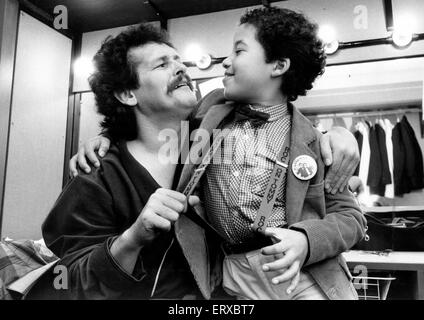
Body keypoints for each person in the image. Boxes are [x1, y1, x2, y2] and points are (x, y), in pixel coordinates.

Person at [71, 8, 364, 300]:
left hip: (304, 275)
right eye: (161, 64)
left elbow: (351, 216)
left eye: (239, 51)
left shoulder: (313, 141)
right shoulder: (209, 113)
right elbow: (147, 118)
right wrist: (107, 135)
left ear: (278, 66)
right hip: (234, 279)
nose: (225, 62)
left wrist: (307, 239)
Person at [38, 24, 212, 299]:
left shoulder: (214, 144)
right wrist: (132, 239)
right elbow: (70, 280)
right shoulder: (97, 174)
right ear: (128, 94)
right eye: (162, 64)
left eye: (178, 59)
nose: (181, 68)